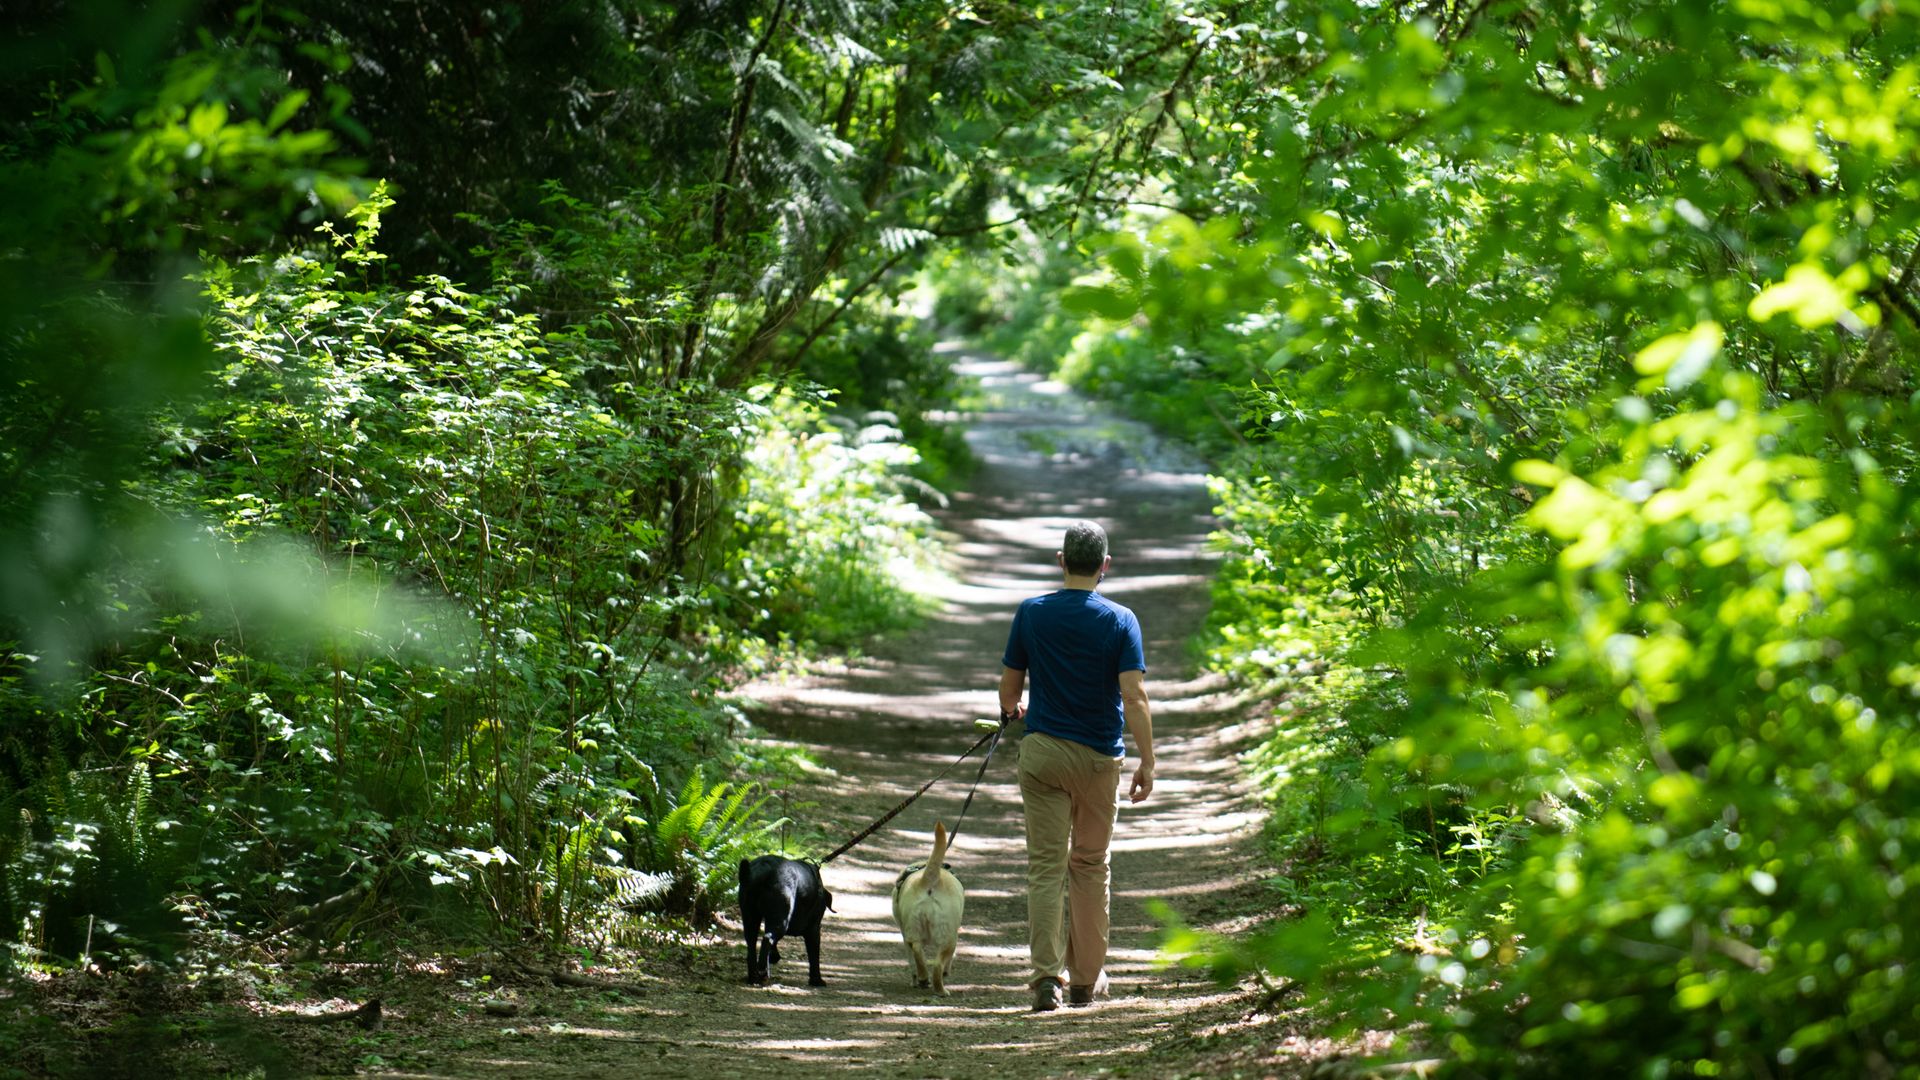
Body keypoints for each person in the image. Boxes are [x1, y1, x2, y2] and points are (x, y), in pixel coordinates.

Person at [997, 519, 1155, 1012]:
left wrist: (1013, 713)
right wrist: (1148, 760)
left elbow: (1009, 688)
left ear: (1061, 562)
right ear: (1105, 566)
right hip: (1097, 760)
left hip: (1043, 752)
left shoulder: (1032, 612)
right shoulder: (1121, 620)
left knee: (1045, 867)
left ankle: (1046, 979)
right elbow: (1134, 694)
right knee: (1089, 864)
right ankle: (1085, 981)